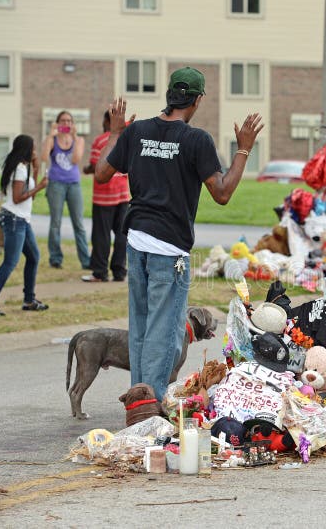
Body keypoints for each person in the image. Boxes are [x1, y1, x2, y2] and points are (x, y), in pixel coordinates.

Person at [94, 66, 263, 401]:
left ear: (170, 95)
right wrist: (244, 148)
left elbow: (101, 173)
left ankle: (139, 399)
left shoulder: (136, 131)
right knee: (165, 331)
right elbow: (223, 192)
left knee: (141, 325)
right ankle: (149, 405)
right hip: (169, 249)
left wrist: (115, 131)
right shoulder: (195, 140)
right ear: (197, 100)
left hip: (135, 241)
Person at [0, 135, 49, 316]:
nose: (35, 151)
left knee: (33, 256)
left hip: (21, 220)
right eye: (33, 147)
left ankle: (29, 300)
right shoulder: (19, 168)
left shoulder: (23, 168)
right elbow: (18, 198)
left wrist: (36, 170)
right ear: (26, 149)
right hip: (14, 219)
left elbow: (29, 195)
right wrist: (41, 186)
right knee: (10, 262)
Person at [81, 110, 129, 282]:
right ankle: (119, 271)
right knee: (122, 234)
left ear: (109, 121)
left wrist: (86, 170)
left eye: (103, 120)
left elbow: (95, 166)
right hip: (123, 194)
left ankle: (100, 272)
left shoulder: (101, 141)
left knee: (101, 235)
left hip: (104, 195)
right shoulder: (126, 139)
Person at [41, 110, 90, 270]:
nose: (66, 123)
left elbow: (76, 160)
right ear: (58, 123)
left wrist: (75, 137)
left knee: (79, 224)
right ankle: (55, 258)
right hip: (56, 184)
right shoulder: (52, 139)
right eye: (63, 120)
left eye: (69, 121)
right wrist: (50, 134)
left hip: (73, 184)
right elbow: (43, 157)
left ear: (73, 123)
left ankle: (85, 260)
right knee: (55, 222)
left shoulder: (79, 140)